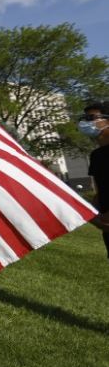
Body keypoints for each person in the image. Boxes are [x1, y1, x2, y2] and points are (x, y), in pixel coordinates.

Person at [80, 101, 109, 259]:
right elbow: (100, 190)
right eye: (85, 118)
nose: (87, 122)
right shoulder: (96, 156)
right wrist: (94, 214)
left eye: (92, 117)